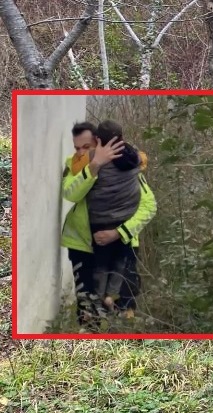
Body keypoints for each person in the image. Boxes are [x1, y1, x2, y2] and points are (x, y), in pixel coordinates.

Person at [62, 122, 157, 327]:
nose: (82, 152)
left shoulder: (128, 164)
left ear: (97, 141)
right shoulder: (78, 164)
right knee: (89, 311)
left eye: (87, 147)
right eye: (77, 148)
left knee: (125, 307)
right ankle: (90, 344)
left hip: (124, 239)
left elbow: (149, 207)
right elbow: (70, 193)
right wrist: (94, 165)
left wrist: (119, 232)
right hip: (83, 245)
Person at [86, 120, 143, 310]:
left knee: (100, 262)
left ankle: (98, 298)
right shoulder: (133, 155)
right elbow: (141, 162)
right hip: (125, 219)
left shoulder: (93, 158)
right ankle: (111, 296)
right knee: (120, 260)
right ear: (122, 137)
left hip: (100, 220)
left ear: (97, 139)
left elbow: (83, 180)